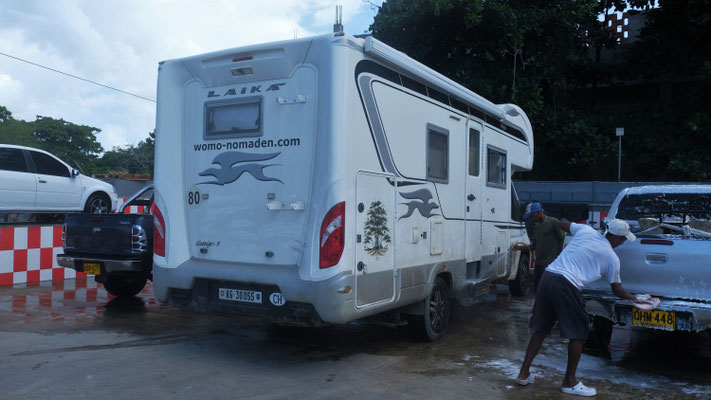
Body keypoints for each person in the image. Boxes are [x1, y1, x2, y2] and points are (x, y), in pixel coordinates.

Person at [514, 219, 647, 397]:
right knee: (578, 333)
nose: (623, 242)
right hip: (567, 284)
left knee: (541, 329)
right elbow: (617, 290)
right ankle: (569, 382)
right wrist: (636, 298)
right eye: (623, 239)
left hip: (549, 276)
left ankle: (523, 374)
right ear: (614, 236)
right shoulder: (611, 258)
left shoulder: (586, 231)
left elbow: (562, 223)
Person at [512, 202, 565, 293]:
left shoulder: (553, 222)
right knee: (537, 291)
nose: (531, 219)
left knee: (548, 292)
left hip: (551, 266)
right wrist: (519, 248)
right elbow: (533, 246)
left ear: (538, 212)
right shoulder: (537, 226)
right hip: (539, 265)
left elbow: (562, 239)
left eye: (532, 216)